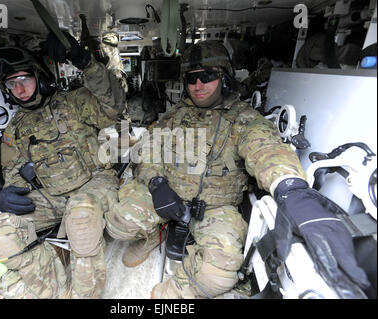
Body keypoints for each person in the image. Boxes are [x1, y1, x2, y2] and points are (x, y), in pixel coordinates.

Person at [104, 40, 371, 298]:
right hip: (167, 194)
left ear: (224, 77)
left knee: (218, 275)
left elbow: (266, 149)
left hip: (215, 207)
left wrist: (291, 188)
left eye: (207, 76)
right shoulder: (175, 115)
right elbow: (149, 150)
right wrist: (156, 184)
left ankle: (177, 288)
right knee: (117, 225)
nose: (198, 85)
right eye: (191, 78)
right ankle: (155, 233)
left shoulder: (242, 119)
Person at [0, 31, 126, 299]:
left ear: (38, 76)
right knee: (0, 234)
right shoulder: (15, 128)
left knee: (81, 221)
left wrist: (85, 63)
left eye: (24, 79)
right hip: (52, 195)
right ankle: (54, 289)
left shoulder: (74, 102)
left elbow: (115, 104)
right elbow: (13, 171)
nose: (20, 90)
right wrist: (10, 191)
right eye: (11, 84)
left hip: (95, 182)